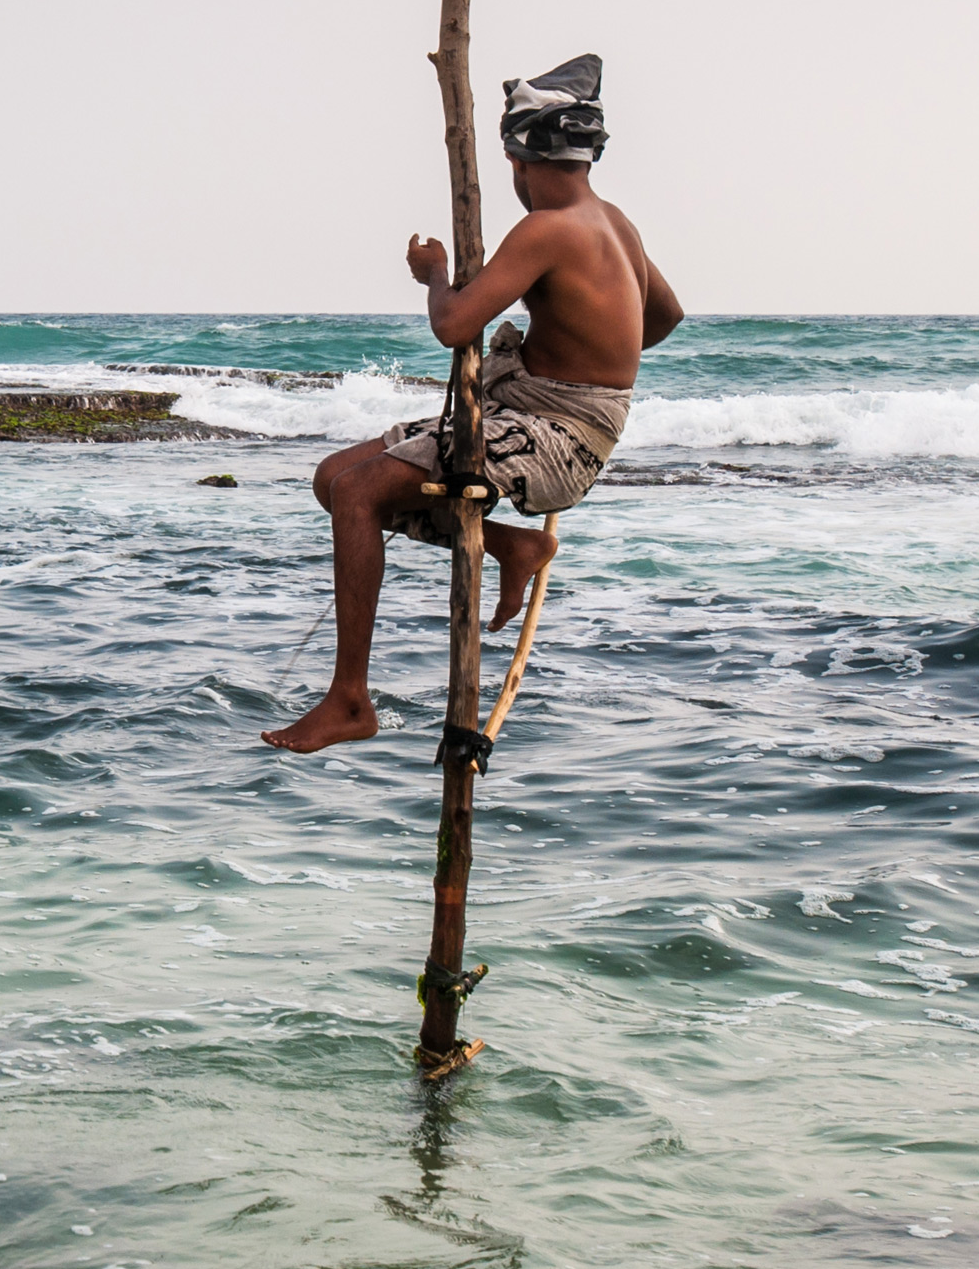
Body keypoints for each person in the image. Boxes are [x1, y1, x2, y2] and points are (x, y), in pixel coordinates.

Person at [263, 53, 681, 754]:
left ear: (519, 160)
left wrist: (434, 277)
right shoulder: (615, 222)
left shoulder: (547, 228)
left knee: (362, 493)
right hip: (543, 406)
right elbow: (663, 316)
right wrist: (577, 346)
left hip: (559, 431)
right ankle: (513, 543)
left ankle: (349, 699)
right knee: (334, 479)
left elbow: (454, 324)